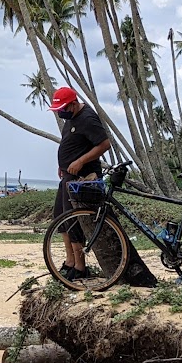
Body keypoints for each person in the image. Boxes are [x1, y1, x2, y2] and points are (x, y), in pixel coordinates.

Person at [50, 85, 110, 280]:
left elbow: (104, 144)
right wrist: (64, 164)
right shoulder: (71, 118)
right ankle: (70, 261)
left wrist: (80, 161)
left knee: (74, 219)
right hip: (67, 175)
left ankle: (80, 267)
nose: (60, 114)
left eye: (62, 110)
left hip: (82, 178)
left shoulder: (88, 118)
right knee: (61, 217)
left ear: (74, 105)